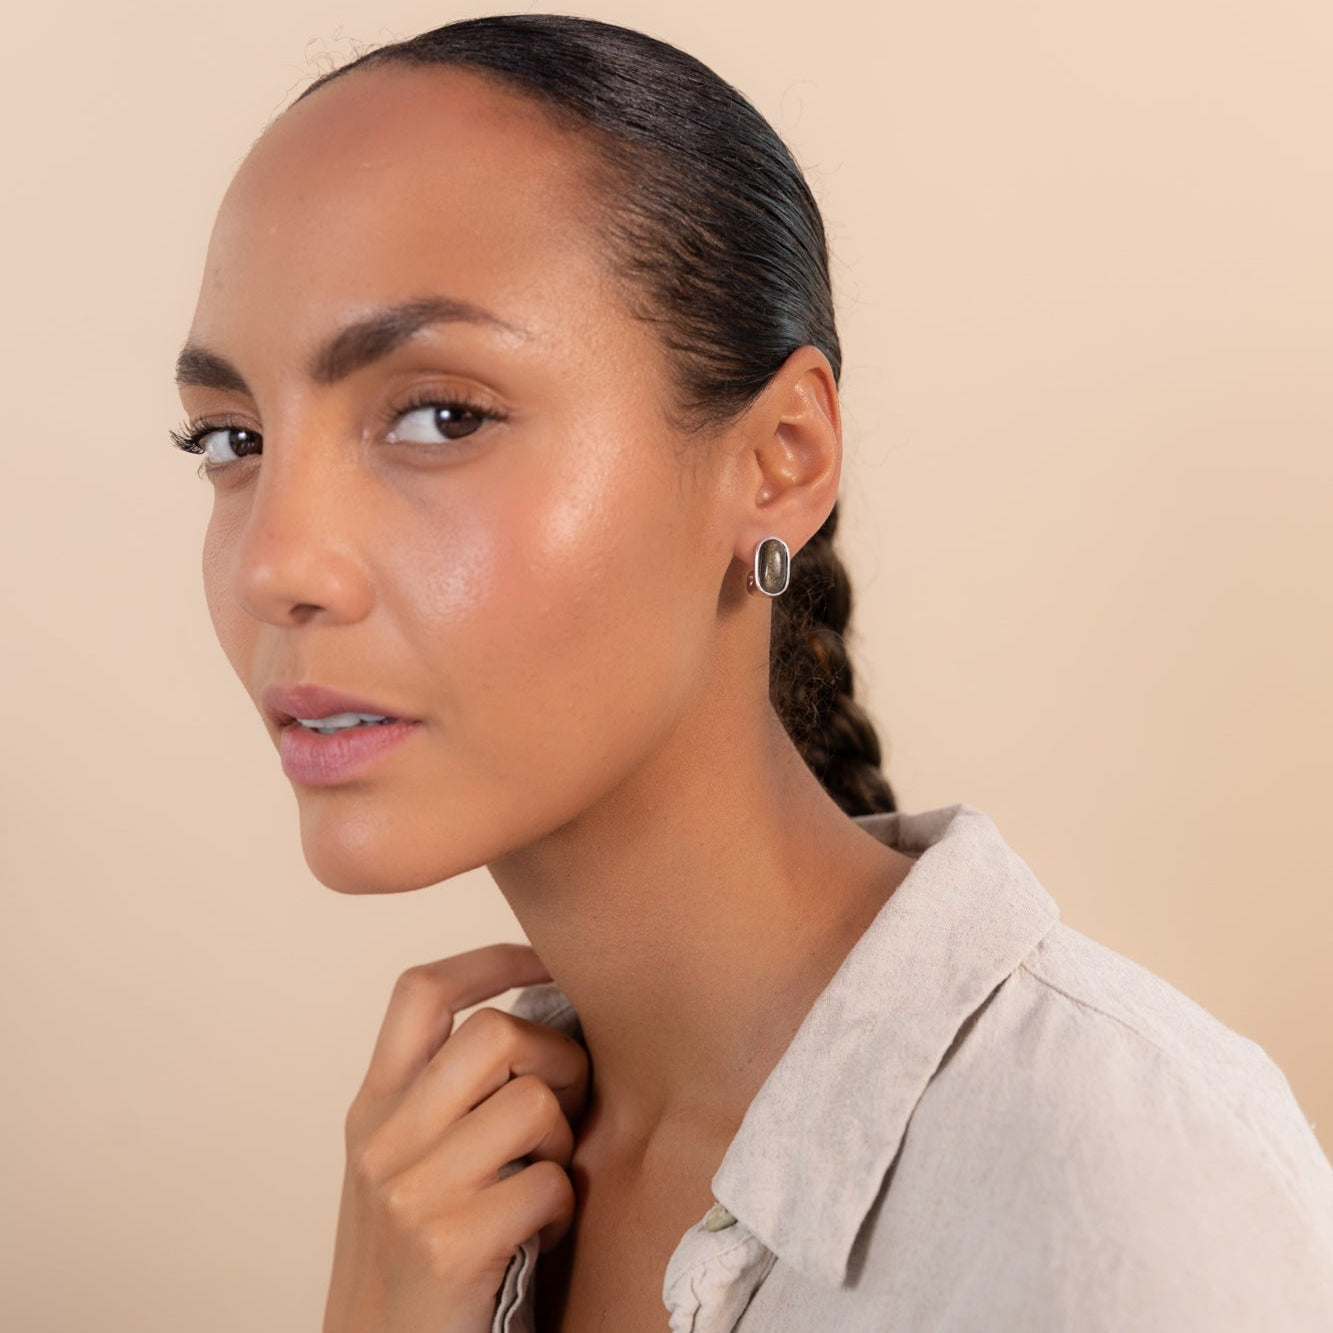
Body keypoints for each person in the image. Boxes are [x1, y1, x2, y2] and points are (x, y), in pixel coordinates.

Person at [171, 14, 1333, 1332]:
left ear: (775, 459)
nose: (279, 562)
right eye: (231, 437)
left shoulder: (1128, 1190)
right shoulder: (450, 1188)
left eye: (441, 415)